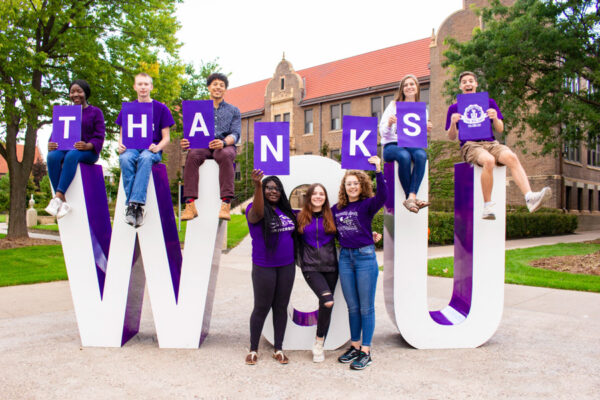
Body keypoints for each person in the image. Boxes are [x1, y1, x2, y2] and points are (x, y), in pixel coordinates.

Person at [446, 71, 551, 220]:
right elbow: (451, 137)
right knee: (489, 161)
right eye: (464, 82)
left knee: (512, 157)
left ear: (476, 84)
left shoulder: (489, 103)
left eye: (471, 81)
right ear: (460, 86)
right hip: (470, 145)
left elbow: (500, 129)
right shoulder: (454, 108)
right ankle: (487, 206)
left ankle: (529, 198)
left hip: (490, 142)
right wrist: (452, 122)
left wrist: (495, 118)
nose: (468, 84)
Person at [332, 156, 386, 371]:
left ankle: (366, 351)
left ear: (362, 185)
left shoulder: (367, 204)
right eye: (348, 183)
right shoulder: (337, 208)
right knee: (352, 307)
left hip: (364, 258)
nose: (352, 186)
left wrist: (378, 170)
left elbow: (384, 196)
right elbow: (332, 231)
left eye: (355, 183)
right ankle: (354, 346)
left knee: (366, 307)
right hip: (345, 258)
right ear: (344, 187)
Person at [245, 169, 297, 365]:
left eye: (276, 188)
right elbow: (257, 214)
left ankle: (279, 348)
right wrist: (258, 185)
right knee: (261, 307)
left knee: (281, 307)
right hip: (264, 266)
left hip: (286, 266)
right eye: (268, 188)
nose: (273, 191)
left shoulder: (286, 211)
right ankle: (253, 349)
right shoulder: (255, 208)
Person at [116, 73, 175, 227]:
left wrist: (158, 147)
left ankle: (134, 205)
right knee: (125, 158)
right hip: (132, 148)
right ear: (135, 87)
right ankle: (134, 207)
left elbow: (166, 137)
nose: (143, 87)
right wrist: (120, 145)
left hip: (151, 149)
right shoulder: (128, 108)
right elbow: (122, 135)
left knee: (146, 159)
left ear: (151, 87)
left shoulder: (161, 109)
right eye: (140, 84)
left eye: (146, 84)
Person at [180, 73, 241, 221]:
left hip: (223, 145)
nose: (218, 87)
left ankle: (226, 203)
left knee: (225, 155)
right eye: (215, 84)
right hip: (203, 145)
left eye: (221, 85)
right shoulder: (198, 108)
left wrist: (224, 142)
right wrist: (186, 142)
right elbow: (191, 132)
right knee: (193, 155)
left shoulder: (233, 110)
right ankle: (190, 204)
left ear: (225, 89)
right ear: (209, 87)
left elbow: (236, 133)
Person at [45, 80, 105, 218]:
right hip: (65, 149)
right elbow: (56, 134)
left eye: (79, 91)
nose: (75, 94)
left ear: (86, 93)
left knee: (72, 155)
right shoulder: (66, 111)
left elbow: (99, 136)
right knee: (52, 156)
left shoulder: (96, 112)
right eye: (72, 92)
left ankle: (58, 197)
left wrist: (87, 145)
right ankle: (62, 201)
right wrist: (51, 143)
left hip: (87, 152)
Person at [296, 183, 338, 363]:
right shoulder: (300, 217)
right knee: (328, 301)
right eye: (315, 194)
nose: (318, 197)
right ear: (309, 197)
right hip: (311, 267)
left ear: (325, 197)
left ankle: (319, 344)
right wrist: (301, 262)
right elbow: (294, 242)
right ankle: (319, 342)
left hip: (331, 267)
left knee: (325, 306)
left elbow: (349, 232)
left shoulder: (332, 215)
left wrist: (371, 234)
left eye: (322, 194)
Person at [380, 74, 432, 213]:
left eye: (412, 84)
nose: (409, 87)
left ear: (417, 87)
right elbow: (382, 132)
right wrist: (390, 124)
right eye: (406, 85)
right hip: (392, 145)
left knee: (421, 155)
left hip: (411, 145)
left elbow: (417, 135)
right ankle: (410, 197)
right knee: (404, 156)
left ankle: (411, 197)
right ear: (402, 89)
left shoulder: (423, 110)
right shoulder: (393, 106)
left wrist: (426, 129)